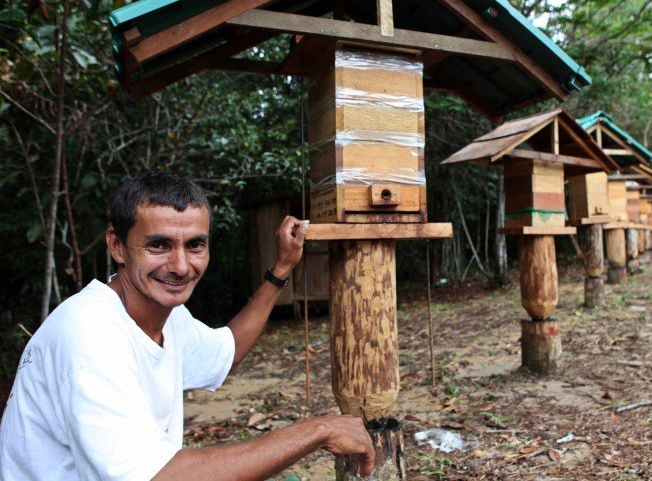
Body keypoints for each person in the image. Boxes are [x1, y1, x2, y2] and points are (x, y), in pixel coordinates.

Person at [0, 172, 374, 480]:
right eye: (159, 245)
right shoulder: (89, 336)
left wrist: (281, 270)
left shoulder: (167, 316)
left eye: (195, 245)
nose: (181, 266)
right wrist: (317, 430)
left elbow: (226, 352)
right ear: (117, 246)